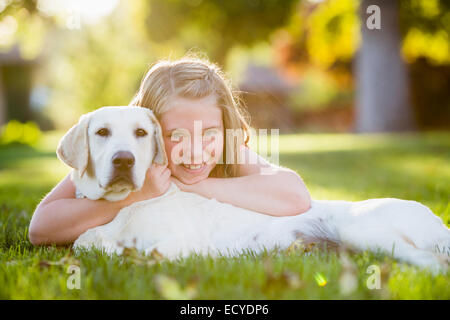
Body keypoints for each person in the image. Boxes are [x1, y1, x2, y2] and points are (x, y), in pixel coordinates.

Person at [29, 56, 311, 246]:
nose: (196, 151)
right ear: (148, 133)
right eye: (176, 135)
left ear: (225, 129)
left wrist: (186, 187)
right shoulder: (127, 151)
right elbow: (41, 229)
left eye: (209, 132)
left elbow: (296, 196)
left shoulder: (227, 149)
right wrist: (134, 196)